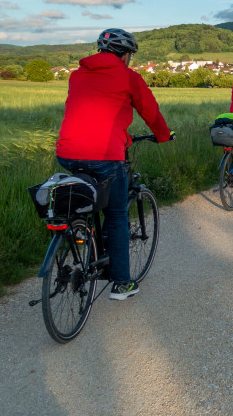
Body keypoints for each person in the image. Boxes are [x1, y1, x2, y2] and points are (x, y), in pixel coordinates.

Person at [56, 28, 173, 300]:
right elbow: (151, 113)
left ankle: (78, 231)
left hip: (68, 152)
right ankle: (122, 283)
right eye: (130, 54)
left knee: (86, 196)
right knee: (117, 215)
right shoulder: (128, 77)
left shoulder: (76, 75)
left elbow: (92, 113)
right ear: (125, 54)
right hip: (106, 154)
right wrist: (163, 136)